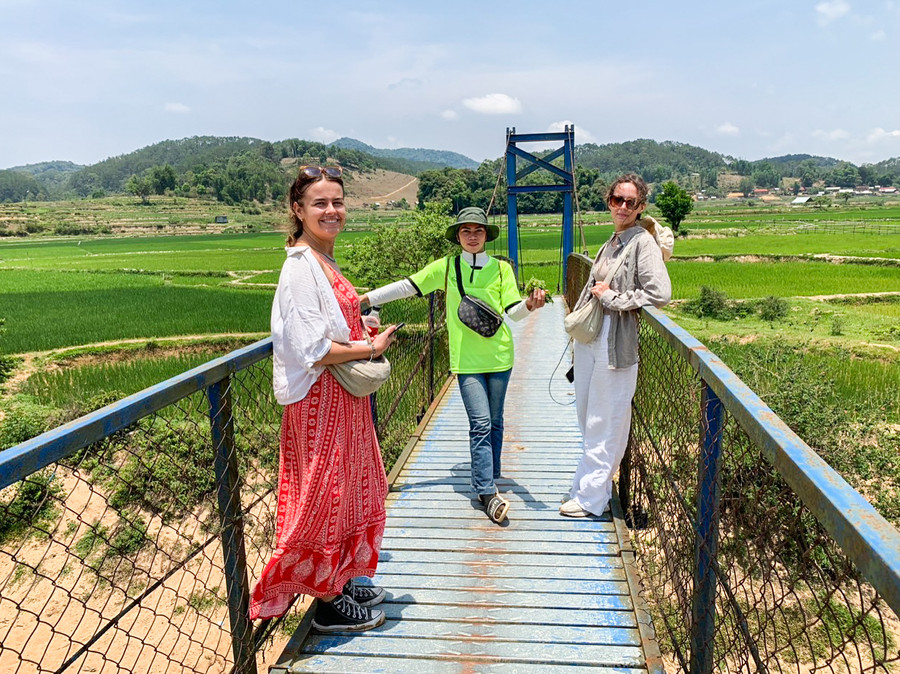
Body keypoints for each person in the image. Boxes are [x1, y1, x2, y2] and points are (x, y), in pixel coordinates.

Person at [248, 165, 399, 633]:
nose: (332, 211)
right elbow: (312, 348)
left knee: (351, 488)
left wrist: (359, 331)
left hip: (341, 397)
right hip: (319, 401)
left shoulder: (322, 259)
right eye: (320, 203)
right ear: (298, 210)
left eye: (337, 202)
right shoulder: (299, 268)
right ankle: (327, 600)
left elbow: (329, 328)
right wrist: (370, 348)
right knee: (324, 495)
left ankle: (342, 576)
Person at [361, 206, 546, 524]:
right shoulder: (445, 268)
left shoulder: (502, 270)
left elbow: (513, 311)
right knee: (481, 424)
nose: (472, 236)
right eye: (466, 231)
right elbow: (409, 285)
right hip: (466, 361)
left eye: (478, 231)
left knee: (496, 421)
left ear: (486, 235)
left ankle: (490, 473)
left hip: (500, 356)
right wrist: (365, 298)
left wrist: (529, 305)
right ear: (458, 236)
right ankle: (486, 491)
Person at [561, 173, 671, 518]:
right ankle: (587, 485)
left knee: (604, 420)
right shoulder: (613, 240)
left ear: (641, 207)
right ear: (609, 201)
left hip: (615, 341)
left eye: (631, 202)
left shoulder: (641, 242)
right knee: (586, 415)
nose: (622, 207)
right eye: (617, 200)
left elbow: (660, 293)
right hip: (593, 339)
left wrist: (614, 298)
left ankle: (592, 498)